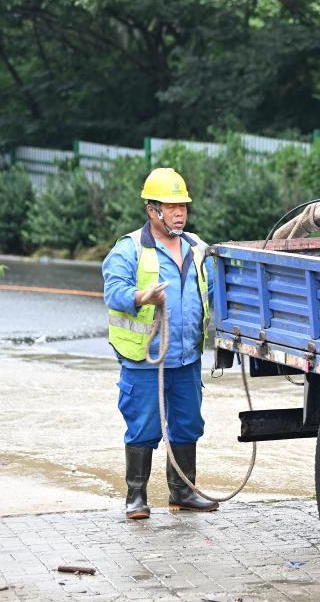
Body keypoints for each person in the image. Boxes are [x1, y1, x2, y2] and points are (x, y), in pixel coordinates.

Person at [102, 167, 218, 519]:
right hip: (145, 359)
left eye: (183, 206)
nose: (179, 213)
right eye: (171, 207)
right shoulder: (131, 248)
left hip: (185, 358)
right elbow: (113, 291)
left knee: (186, 424)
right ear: (152, 210)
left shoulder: (197, 248)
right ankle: (135, 497)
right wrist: (141, 296)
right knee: (144, 424)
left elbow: (214, 290)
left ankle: (182, 492)